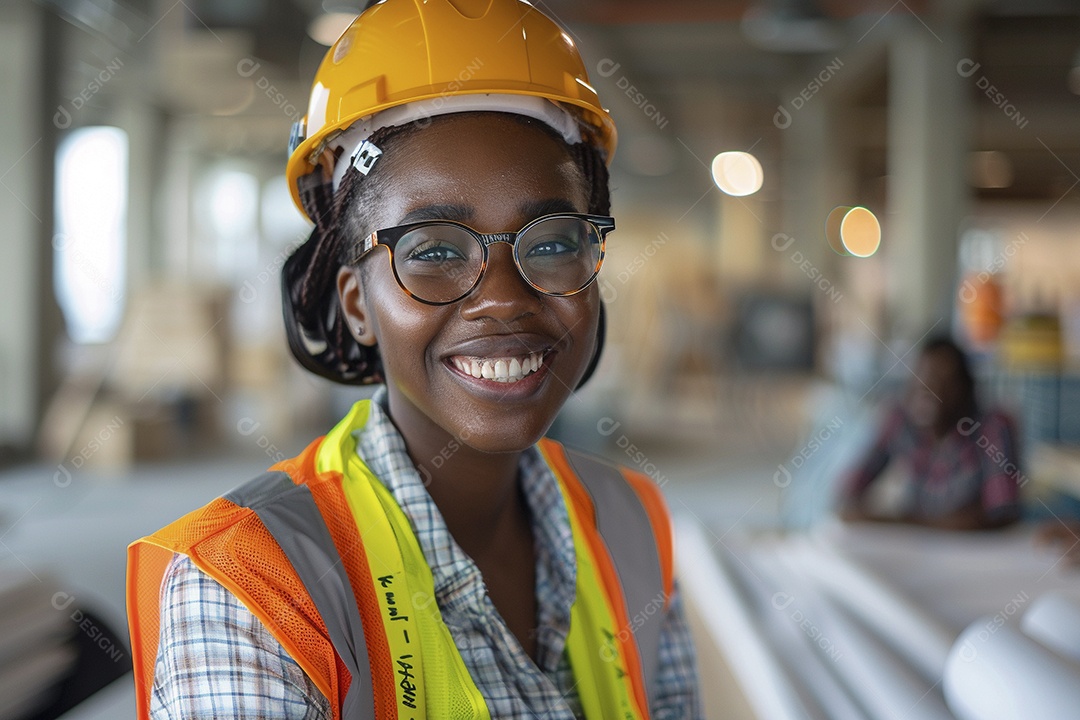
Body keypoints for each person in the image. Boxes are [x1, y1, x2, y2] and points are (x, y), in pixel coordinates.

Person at [126, 1, 702, 718]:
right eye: (432, 250)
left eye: (552, 241)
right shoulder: (247, 584)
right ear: (357, 304)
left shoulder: (631, 522)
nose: (504, 299)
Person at [839, 336, 1021, 530]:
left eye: (942, 382)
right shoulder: (899, 420)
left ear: (966, 390)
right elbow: (850, 490)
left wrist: (899, 522)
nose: (928, 391)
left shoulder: (991, 428)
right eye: (920, 380)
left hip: (972, 555)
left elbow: (1001, 515)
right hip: (914, 550)